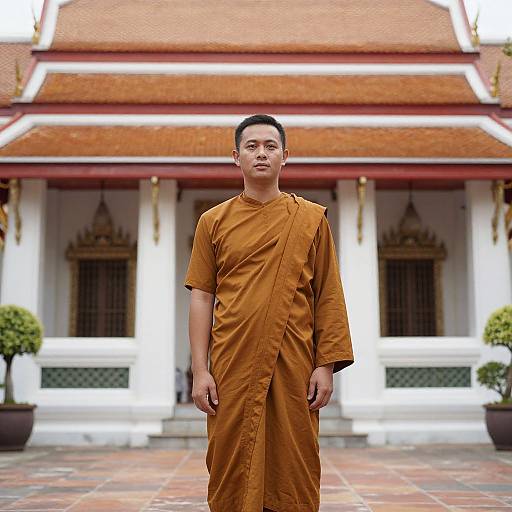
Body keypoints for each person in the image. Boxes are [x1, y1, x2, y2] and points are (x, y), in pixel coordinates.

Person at [184, 114, 354, 512]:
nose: (261, 153)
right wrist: (199, 369)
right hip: (231, 364)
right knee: (230, 462)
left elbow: (327, 293)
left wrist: (325, 364)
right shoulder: (213, 222)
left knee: (293, 462)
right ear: (236, 157)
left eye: (270, 146)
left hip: (294, 363)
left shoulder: (310, 220)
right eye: (252, 146)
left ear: (285, 156)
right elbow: (201, 297)